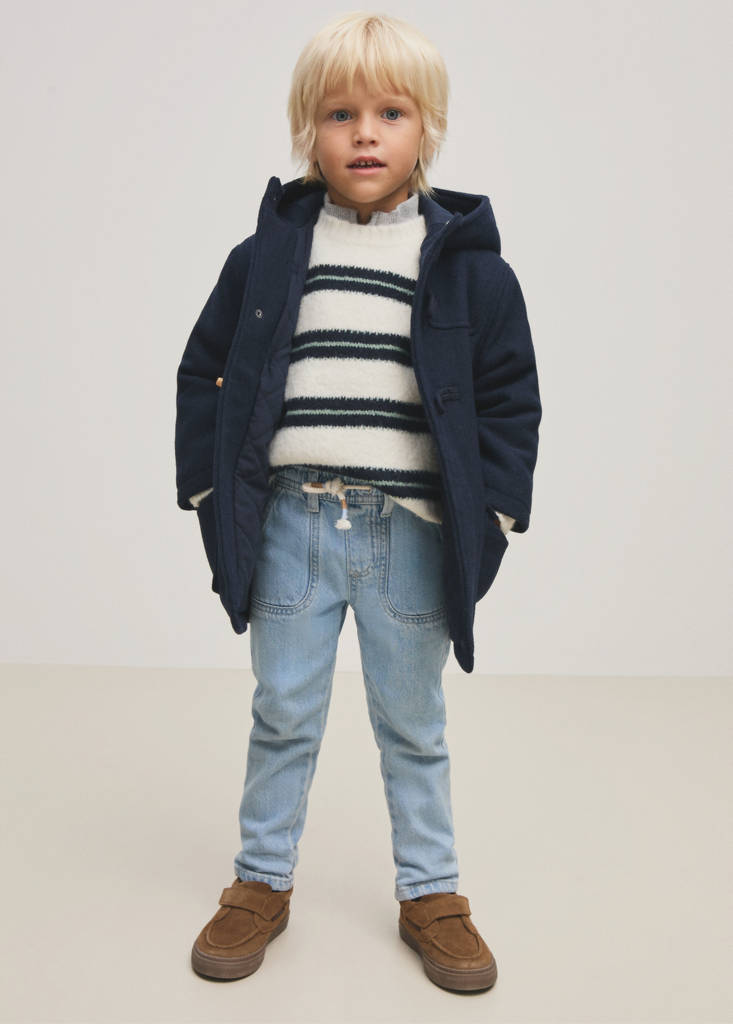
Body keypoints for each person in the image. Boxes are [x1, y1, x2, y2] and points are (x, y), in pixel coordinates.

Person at [175, 11, 541, 994]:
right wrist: (207, 490)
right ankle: (260, 879)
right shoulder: (263, 261)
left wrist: (494, 518)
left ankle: (432, 893)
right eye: (340, 114)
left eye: (391, 113)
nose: (365, 134)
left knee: (412, 722)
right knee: (283, 711)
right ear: (308, 130)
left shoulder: (472, 272)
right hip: (291, 525)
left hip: (410, 535)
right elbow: (204, 371)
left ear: (428, 128)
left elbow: (511, 399)